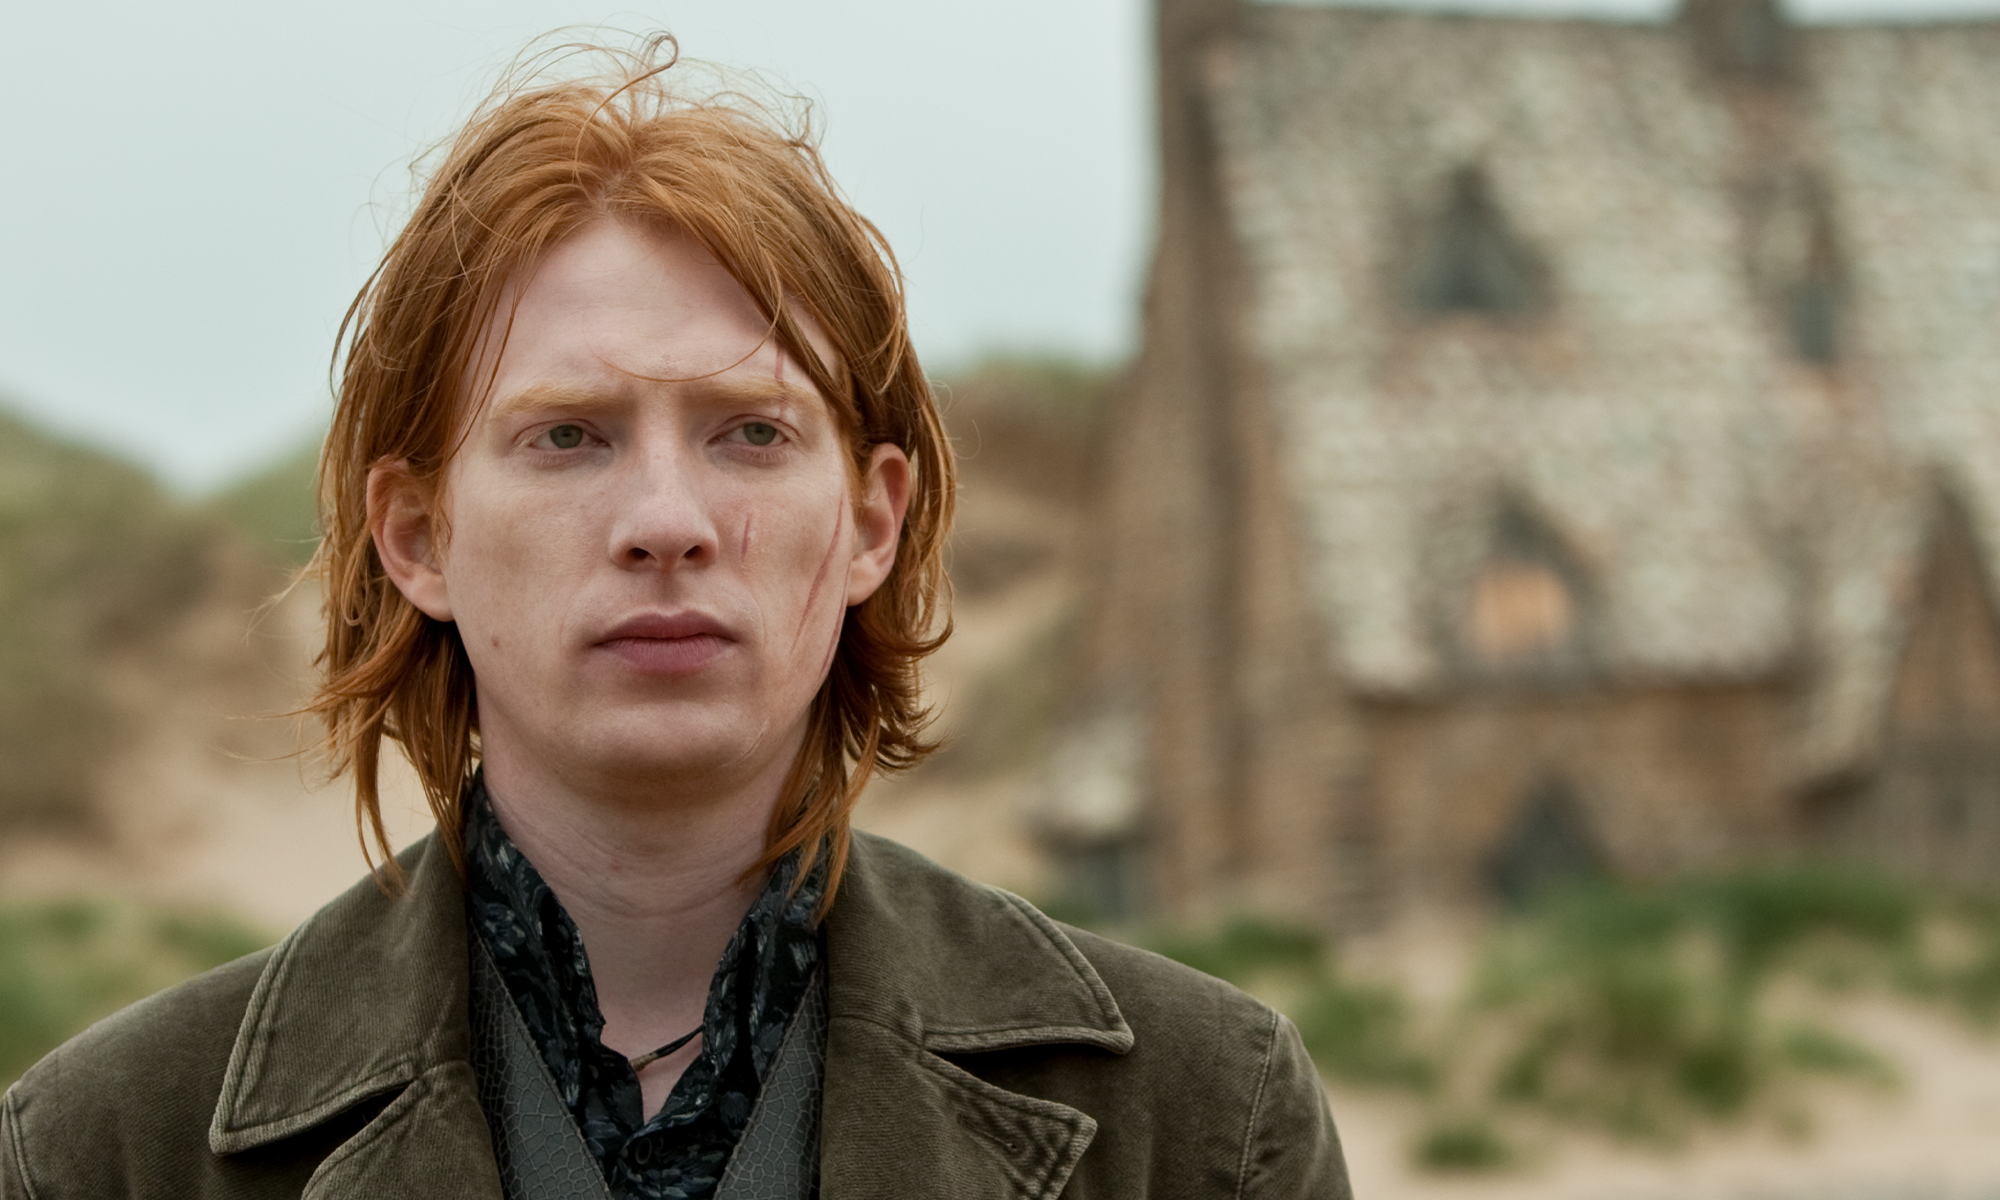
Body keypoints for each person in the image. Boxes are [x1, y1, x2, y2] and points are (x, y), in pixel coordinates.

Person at [0, 39, 1349, 1200]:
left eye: (751, 432)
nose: (666, 519)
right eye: (568, 435)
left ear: (870, 522)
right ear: (417, 536)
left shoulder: (1199, 1122)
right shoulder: (103, 1152)